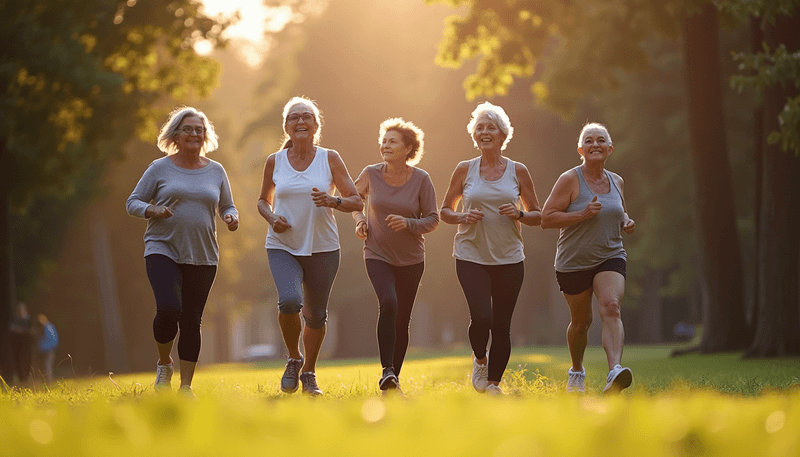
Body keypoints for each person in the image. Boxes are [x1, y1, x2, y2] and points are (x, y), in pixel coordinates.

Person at [126, 106, 239, 397]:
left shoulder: (216, 170)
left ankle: (186, 387)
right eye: (188, 129)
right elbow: (133, 202)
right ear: (176, 134)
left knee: (192, 320)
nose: (194, 134)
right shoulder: (159, 168)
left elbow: (227, 204)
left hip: (202, 254)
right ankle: (164, 363)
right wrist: (152, 209)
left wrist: (230, 216)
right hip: (162, 247)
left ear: (205, 136)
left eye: (199, 130)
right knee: (168, 309)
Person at [258, 96, 362, 396]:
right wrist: (271, 217)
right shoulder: (274, 161)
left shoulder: (329, 158)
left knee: (316, 315)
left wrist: (334, 201)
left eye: (306, 117)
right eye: (294, 118)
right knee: (289, 301)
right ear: (286, 127)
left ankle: (309, 372)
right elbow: (262, 200)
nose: (300, 122)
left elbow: (356, 199)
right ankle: (293, 358)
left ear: (316, 125)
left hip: (323, 247)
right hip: (283, 245)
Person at [440, 102, 542, 395]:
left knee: (502, 324)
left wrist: (519, 214)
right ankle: (480, 359)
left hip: (509, 257)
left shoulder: (518, 171)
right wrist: (462, 216)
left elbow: (538, 214)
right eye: (480, 128)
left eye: (491, 127)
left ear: (502, 134)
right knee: (482, 316)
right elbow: (445, 210)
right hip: (471, 253)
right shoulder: (464, 170)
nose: (485, 132)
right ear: (475, 135)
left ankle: (494, 384)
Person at [540, 122, 636, 395]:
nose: (595, 145)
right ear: (580, 149)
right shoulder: (570, 179)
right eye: (589, 141)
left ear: (609, 148)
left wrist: (626, 222)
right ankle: (577, 370)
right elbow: (546, 219)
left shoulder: (617, 181)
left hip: (610, 255)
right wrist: (582, 214)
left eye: (601, 141)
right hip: (574, 261)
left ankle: (614, 371)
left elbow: (620, 213)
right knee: (581, 323)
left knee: (611, 307)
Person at [353, 118, 439, 392]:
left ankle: (394, 377)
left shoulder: (422, 179)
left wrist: (409, 223)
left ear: (408, 148)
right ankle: (386, 369)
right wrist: (359, 220)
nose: (385, 145)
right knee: (388, 302)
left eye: (392, 141)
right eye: (384, 140)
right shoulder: (371, 173)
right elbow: (355, 201)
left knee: (403, 317)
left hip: (412, 259)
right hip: (376, 252)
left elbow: (434, 219)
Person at [7, 302, 34, 384]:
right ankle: (20, 377)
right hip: (17, 344)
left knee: (27, 361)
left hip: (27, 344)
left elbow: (32, 330)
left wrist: (23, 331)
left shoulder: (28, 319)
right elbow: (11, 328)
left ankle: (27, 377)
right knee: (17, 360)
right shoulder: (15, 319)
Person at [37, 314, 59, 383]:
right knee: (47, 365)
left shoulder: (47, 328)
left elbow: (51, 340)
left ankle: (49, 381)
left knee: (47, 366)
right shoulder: (49, 327)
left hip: (48, 350)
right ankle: (47, 381)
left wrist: (42, 348)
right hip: (49, 349)